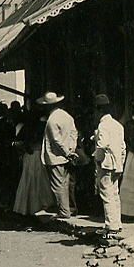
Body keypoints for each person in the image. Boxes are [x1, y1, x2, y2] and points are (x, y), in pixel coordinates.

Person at [38, 91, 78, 220]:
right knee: (67, 183)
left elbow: (56, 140)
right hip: (68, 155)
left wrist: (66, 152)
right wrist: (71, 149)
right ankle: (71, 208)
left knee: (58, 185)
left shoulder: (52, 120)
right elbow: (74, 133)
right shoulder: (67, 116)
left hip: (56, 157)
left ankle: (64, 211)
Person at [92, 94, 126, 231]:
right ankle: (117, 223)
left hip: (106, 164)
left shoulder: (103, 125)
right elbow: (123, 147)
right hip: (117, 164)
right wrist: (121, 162)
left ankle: (110, 225)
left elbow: (102, 146)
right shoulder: (118, 125)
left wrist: (97, 161)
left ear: (98, 110)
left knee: (106, 194)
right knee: (114, 194)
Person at [12, 111, 53, 216]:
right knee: (39, 179)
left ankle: (27, 206)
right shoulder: (42, 127)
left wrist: (25, 148)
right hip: (39, 154)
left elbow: (20, 141)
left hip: (29, 155)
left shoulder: (26, 128)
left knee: (28, 179)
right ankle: (39, 204)